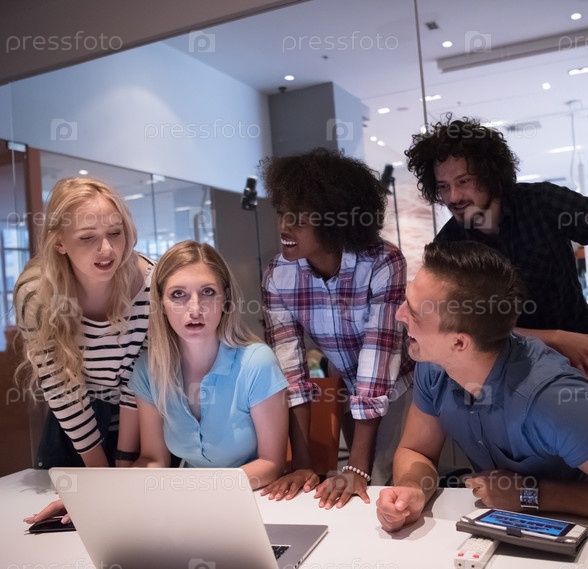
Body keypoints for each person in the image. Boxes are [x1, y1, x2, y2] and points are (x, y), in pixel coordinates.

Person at [376, 241, 588, 532]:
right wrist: (412, 489)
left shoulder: (552, 399)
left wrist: (532, 495)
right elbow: (416, 450)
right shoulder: (435, 365)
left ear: (459, 343)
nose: (399, 314)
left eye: (413, 312)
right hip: (507, 532)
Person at [405, 116, 588, 382]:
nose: (453, 196)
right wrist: (554, 338)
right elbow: (458, 329)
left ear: (490, 174)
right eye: (443, 187)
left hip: (584, 366)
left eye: (464, 181)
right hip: (502, 380)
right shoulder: (448, 246)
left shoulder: (543, 203)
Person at [260, 148, 414, 508]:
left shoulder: (382, 262)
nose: (284, 226)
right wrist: (303, 466)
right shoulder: (278, 275)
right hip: (346, 384)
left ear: (335, 219)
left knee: (381, 482)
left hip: (400, 385)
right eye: (282, 212)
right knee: (351, 492)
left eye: (299, 218)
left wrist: (356, 467)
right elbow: (290, 371)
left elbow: (377, 364)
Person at [17, 177, 153, 526]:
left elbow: (139, 381)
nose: (106, 249)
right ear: (59, 242)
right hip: (77, 431)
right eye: (87, 238)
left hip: (143, 425)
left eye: (115, 233)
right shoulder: (37, 296)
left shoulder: (150, 285)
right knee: (75, 529)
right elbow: (61, 390)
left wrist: (123, 463)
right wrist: (99, 482)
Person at [129, 241, 288, 489]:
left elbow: (271, 463)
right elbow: (154, 459)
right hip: (188, 502)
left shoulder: (257, 363)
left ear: (226, 298)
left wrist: (201, 489)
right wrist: (110, 491)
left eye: (208, 292)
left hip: (252, 497)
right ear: (160, 303)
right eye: (178, 294)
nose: (195, 309)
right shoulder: (148, 369)